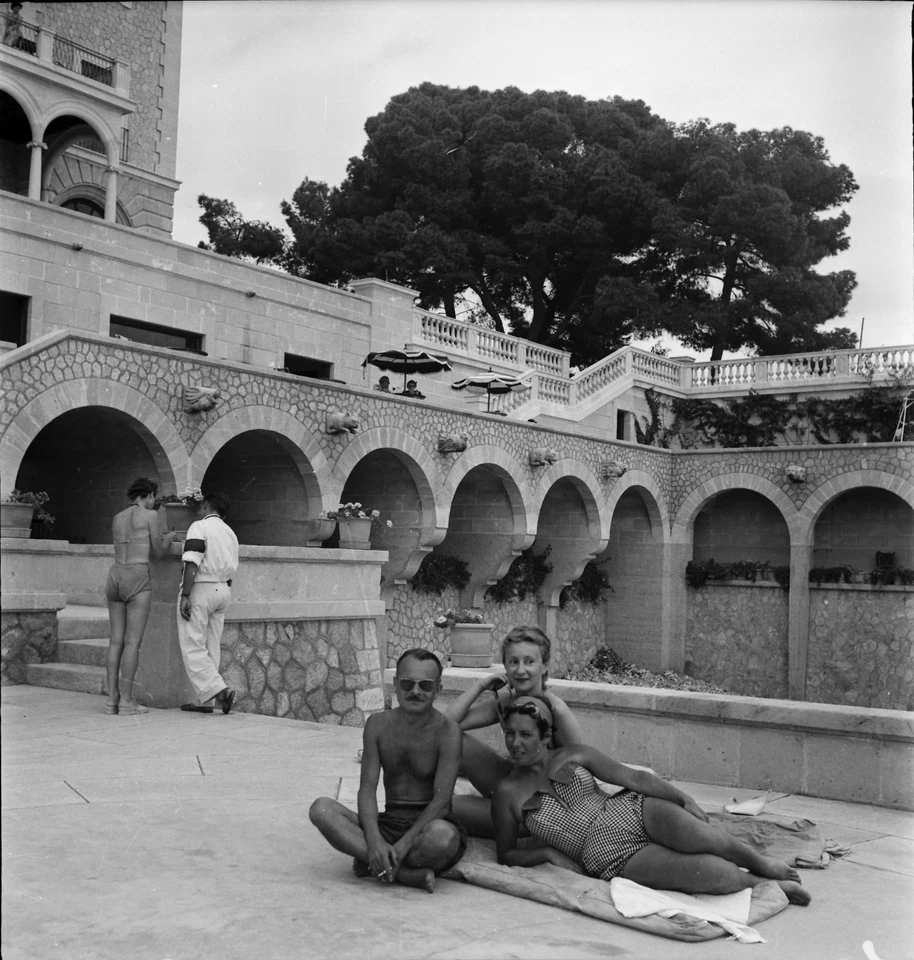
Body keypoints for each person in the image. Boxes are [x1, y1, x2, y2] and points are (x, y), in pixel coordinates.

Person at [493, 697, 810, 906]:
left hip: (629, 808)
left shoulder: (575, 754)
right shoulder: (507, 793)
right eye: (510, 734)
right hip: (604, 852)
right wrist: (546, 852)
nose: (515, 743)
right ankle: (761, 885)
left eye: (525, 735)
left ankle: (761, 863)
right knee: (707, 871)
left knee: (706, 836)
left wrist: (682, 797)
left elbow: (634, 779)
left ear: (545, 736)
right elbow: (506, 853)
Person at [309, 649, 467, 893]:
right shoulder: (377, 726)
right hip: (389, 823)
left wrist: (404, 844)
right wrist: (374, 842)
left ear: (438, 689)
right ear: (395, 684)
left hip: (429, 823)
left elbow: (441, 802)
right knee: (321, 809)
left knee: (443, 837)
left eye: (425, 685)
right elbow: (367, 789)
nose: (415, 691)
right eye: (407, 683)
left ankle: (378, 863)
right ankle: (402, 873)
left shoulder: (448, 732)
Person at [444, 625, 584, 835]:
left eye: (529, 662)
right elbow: (447, 724)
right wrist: (480, 685)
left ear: (544, 666)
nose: (520, 670)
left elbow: (581, 770)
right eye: (513, 662)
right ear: (505, 666)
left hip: (538, 807)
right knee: (452, 738)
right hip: (511, 783)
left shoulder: (557, 711)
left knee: (447, 808)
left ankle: (514, 827)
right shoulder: (506, 701)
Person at [104, 477, 179, 715]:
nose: (154, 502)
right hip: (137, 575)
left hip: (115, 575)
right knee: (132, 642)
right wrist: (168, 538)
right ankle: (127, 701)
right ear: (148, 495)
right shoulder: (150, 516)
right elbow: (157, 552)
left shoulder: (117, 517)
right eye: (153, 497)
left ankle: (112, 700)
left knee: (115, 640)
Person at [177, 491, 238, 715]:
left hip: (202, 587)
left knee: (192, 643)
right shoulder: (230, 532)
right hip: (223, 588)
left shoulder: (199, 527)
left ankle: (220, 691)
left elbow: (192, 561)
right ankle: (205, 702)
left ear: (206, 505)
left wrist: (185, 594)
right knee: (212, 644)